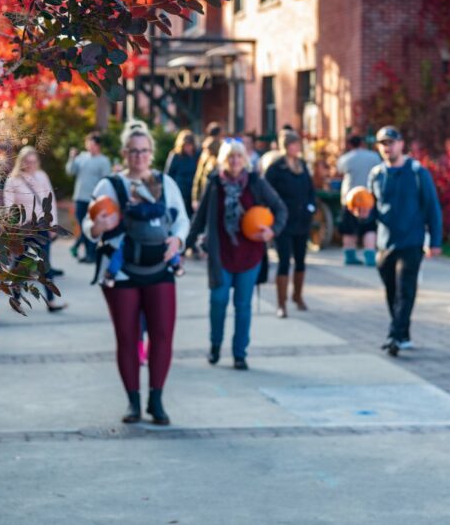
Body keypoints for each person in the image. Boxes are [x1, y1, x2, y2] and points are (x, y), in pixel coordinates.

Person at [84, 120, 189, 425]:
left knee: (162, 336)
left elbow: (182, 220)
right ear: (124, 153)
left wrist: (178, 240)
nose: (139, 156)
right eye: (133, 151)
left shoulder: (165, 184)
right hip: (122, 272)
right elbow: (91, 223)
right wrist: (97, 227)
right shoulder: (110, 186)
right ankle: (133, 402)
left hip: (160, 268)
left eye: (144, 151)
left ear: (151, 153)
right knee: (127, 338)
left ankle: (157, 400)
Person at [187, 140, 287, 370]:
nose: (234, 161)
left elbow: (280, 208)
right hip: (221, 253)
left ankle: (239, 353)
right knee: (218, 301)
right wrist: (184, 247)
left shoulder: (255, 183)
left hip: (249, 255)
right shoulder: (214, 184)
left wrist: (273, 230)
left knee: (243, 306)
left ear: (245, 159)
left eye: (238, 157)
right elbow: (200, 219)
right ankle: (215, 345)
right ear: (223, 160)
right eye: (230, 157)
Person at [368, 126, 443, 357]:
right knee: (391, 290)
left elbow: (432, 208)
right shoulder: (377, 174)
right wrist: (362, 214)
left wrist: (435, 241)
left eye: (391, 142)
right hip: (386, 243)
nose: (387, 147)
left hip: (411, 241)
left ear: (401, 144)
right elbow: (372, 211)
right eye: (383, 144)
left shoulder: (418, 172)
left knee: (405, 289)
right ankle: (404, 334)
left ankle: (394, 335)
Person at [4, 145, 68, 312]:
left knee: (44, 264)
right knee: (20, 265)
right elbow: (8, 205)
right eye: (27, 162)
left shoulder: (42, 176)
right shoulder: (13, 180)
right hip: (23, 228)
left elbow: (50, 200)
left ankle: (52, 301)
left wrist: (53, 224)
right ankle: (16, 299)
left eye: (33, 162)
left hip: (42, 227)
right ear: (21, 162)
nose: (31, 165)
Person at [264, 129, 316, 318]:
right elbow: (266, 191)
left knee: (301, 260)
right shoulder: (276, 168)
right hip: (283, 222)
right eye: (294, 144)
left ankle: (298, 296)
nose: (297, 148)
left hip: (302, 220)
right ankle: (281, 303)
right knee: (284, 261)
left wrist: (311, 207)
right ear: (286, 146)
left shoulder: (302, 165)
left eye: (298, 144)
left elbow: (311, 189)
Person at [337, 133, 382, 267]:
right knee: (369, 228)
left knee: (349, 228)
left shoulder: (347, 158)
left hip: (351, 198)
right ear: (362, 143)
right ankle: (370, 256)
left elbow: (339, 171)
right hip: (368, 196)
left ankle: (350, 255)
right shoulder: (373, 157)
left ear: (350, 145)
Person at [66, 132, 112, 263]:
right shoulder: (82, 158)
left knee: (92, 227)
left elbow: (105, 181)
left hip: (94, 200)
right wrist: (72, 158)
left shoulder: (104, 161)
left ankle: (92, 254)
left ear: (98, 146)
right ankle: (88, 254)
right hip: (80, 198)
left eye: (92, 145)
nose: (89, 147)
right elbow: (70, 171)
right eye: (88, 144)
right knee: (83, 227)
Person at [164, 130, 199, 216]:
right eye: (185, 145)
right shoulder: (176, 155)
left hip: (193, 191)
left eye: (190, 144)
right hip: (180, 190)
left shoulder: (197, 155)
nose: (188, 147)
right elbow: (168, 174)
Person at [191, 122, 223, 208]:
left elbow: (198, 176)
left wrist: (195, 198)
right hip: (215, 193)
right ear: (219, 134)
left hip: (204, 191)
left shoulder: (204, 152)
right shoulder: (222, 150)